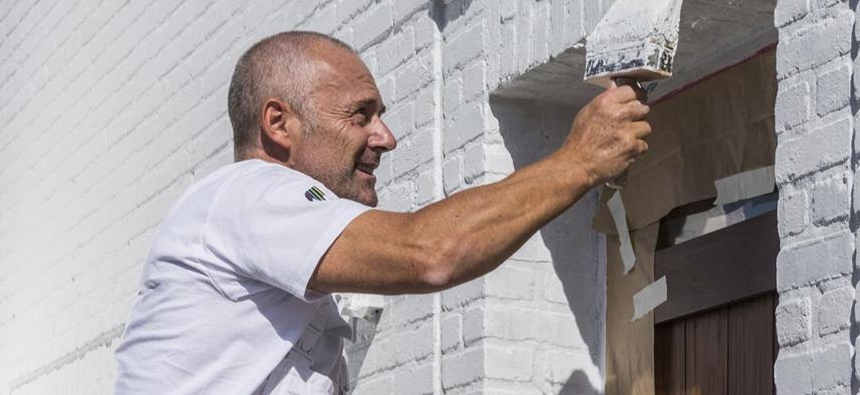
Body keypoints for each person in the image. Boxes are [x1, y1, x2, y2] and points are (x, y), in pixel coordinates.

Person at [114, 31, 650, 394]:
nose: (386, 137)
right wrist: (579, 160)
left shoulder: (240, 216)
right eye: (360, 115)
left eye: (381, 116)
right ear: (279, 124)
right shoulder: (250, 193)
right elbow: (429, 253)